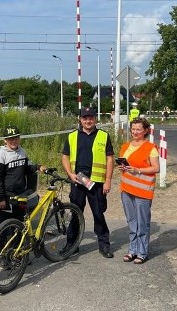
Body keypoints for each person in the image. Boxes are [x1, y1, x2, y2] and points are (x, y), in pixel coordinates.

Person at [61, 106, 115, 258]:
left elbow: (110, 159)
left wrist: (108, 181)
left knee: (98, 214)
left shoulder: (104, 135)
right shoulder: (72, 136)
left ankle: (104, 245)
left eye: (90, 117)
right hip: (77, 181)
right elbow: (64, 156)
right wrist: (70, 174)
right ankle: (72, 244)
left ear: (95, 119)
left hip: (96, 182)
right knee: (75, 214)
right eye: (85, 118)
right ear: (80, 120)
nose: (88, 121)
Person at [117, 118, 160, 265]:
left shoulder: (150, 148)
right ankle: (132, 250)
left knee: (142, 223)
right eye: (133, 129)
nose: (135, 132)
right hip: (126, 189)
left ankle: (142, 252)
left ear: (145, 131)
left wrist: (138, 170)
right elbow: (126, 165)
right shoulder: (124, 147)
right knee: (132, 222)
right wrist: (123, 168)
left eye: (138, 129)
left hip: (143, 191)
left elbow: (156, 168)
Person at [0, 125, 46, 221]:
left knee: (20, 222)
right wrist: (0, 199)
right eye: (10, 139)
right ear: (5, 140)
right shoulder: (1, 156)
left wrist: (38, 167)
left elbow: (26, 169)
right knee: (4, 224)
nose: (14, 141)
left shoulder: (22, 152)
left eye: (16, 138)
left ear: (19, 138)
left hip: (21, 194)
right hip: (7, 196)